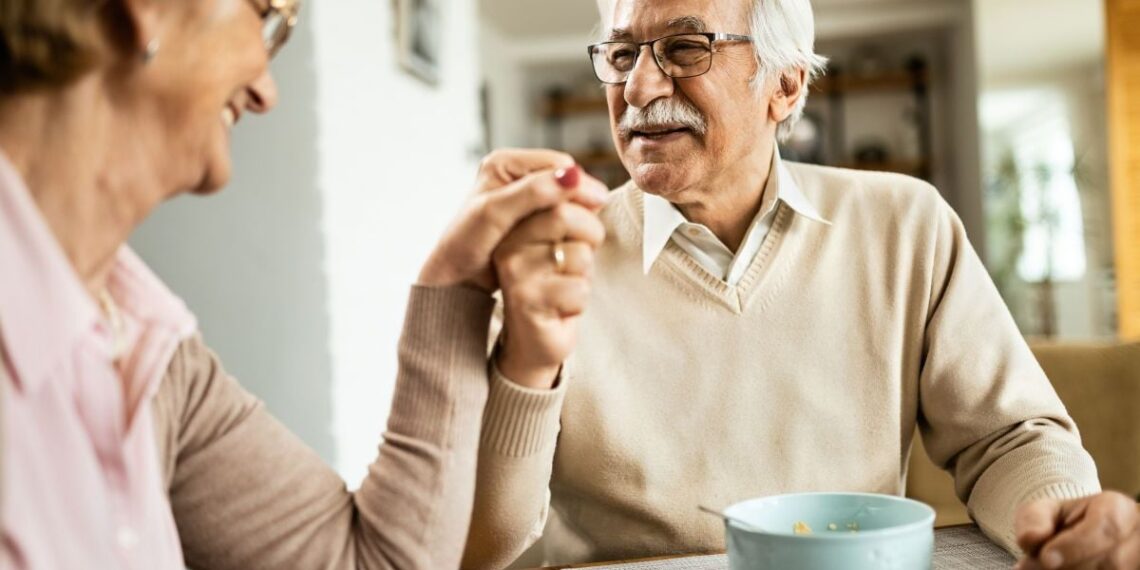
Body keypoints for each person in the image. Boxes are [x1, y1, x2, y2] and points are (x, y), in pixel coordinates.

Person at [461, 0, 1140, 569]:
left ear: (785, 86)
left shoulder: (906, 224)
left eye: (685, 48)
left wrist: (1055, 516)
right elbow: (484, 542)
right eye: (621, 54)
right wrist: (528, 353)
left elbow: (1009, 438)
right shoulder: (549, 257)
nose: (638, 88)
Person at [0, 0, 608, 568]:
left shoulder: (152, 353)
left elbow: (372, 560)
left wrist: (456, 288)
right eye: (267, 14)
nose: (267, 91)